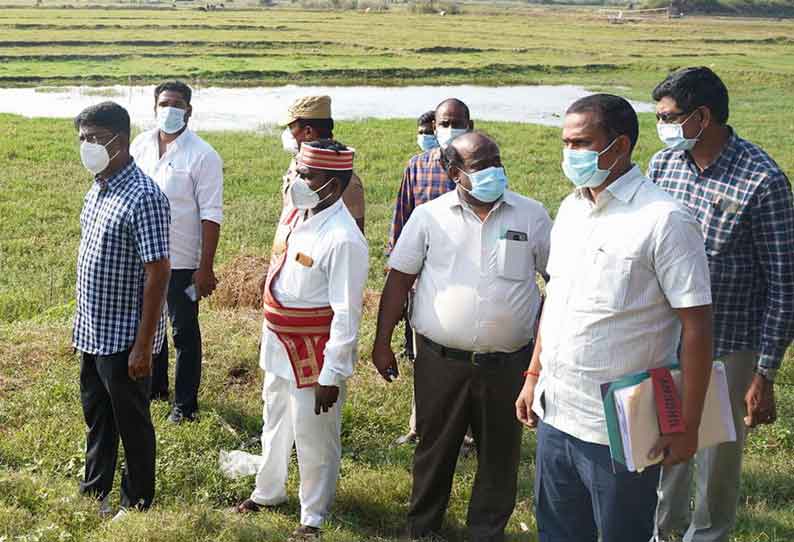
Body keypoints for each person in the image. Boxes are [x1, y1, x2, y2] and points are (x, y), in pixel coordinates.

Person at [514, 94, 714, 542]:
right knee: (559, 533)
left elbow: (698, 327)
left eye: (581, 143)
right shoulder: (570, 210)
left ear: (619, 146)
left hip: (620, 428)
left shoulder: (664, 220)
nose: (570, 154)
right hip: (556, 413)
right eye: (566, 142)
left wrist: (687, 426)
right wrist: (533, 374)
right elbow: (557, 298)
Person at [373, 132, 552, 541]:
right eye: (480, 164)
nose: (493, 170)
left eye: (496, 159)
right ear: (453, 173)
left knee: (500, 455)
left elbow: (557, 281)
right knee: (434, 449)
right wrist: (383, 340)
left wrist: (542, 361)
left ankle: (486, 532)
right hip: (441, 361)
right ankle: (423, 529)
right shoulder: (429, 216)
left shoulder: (531, 215)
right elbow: (399, 279)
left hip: (509, 363)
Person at [649, 67, 794, 542]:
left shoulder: (762, 179)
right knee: (663, 446)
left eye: (669, 118)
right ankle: (661, 533)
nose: (663, 128)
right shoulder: (663, 166)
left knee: (716, 462)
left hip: (729, 345)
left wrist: (765, 372)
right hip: (666, 338)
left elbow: (783, 283)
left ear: (702, 116)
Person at [237, 140, 369, 541]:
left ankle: (313, 515)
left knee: (314, 435)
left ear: (334, 182)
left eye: (307, 174)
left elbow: (347, 314)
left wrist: (332, 373)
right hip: (278, 342)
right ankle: (268, 491)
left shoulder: (344, 238)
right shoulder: (297, 214)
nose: (297, 179)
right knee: (274, 418)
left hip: (313, 351)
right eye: (297, 170)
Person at [73, 102, 170, 518]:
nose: (87, 147)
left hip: (126, 335)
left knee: (132, 422)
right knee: (97, 415)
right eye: (82, 139)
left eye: (94, 139)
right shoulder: (98, 187)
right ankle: (95, 490)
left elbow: (158, 273)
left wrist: (144, 345)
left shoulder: (144, 196)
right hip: (94, 332)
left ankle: (139, 501)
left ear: (120, 140)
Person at [130, 80, 224, 423]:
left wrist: (205, 268)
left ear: (189, 110)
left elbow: (210, 214)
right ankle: (155, 388)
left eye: (178, 104)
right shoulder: (140, 144)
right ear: (155, 107)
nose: (170, 109)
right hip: (144, 258)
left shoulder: (203, 155)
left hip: (183, 264)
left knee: (183, 330)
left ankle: (185, 406)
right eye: (165, 102)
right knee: (148, 324)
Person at [389, 98, 473, 446]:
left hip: (466, 277)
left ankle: (467, 432)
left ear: (470, 124)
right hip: (424, 279)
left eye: (457, 122)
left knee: (466, 357)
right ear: (435, 126)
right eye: (444, 123)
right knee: (424, 356)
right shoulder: (417, 166)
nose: (449, 128)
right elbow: (403, 218)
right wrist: (396, 270)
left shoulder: (480, 165)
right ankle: (419, 425)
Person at [280, 95, 366, 233]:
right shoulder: (298, 163)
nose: (288, 134)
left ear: (308, 131)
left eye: (291, 128)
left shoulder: (346, 182)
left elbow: (354, 232)